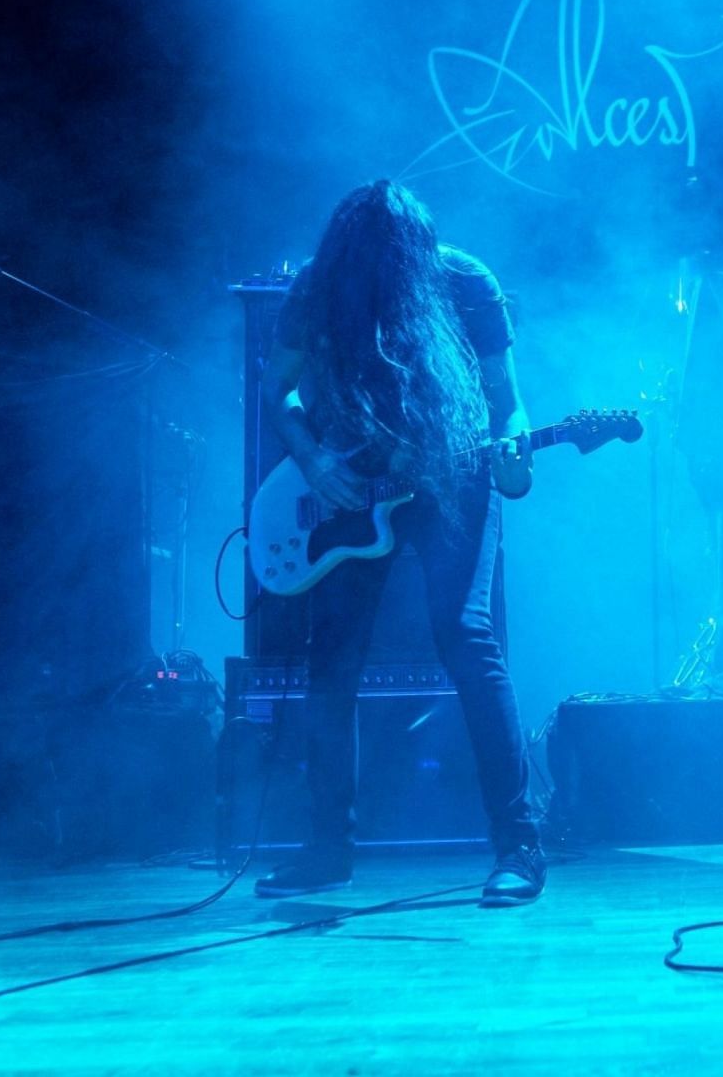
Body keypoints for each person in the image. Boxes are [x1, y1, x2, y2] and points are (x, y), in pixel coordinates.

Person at [253, 180, 544, 906]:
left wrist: (514, 448)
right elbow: (276, 387)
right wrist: (316, 461)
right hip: (355, 482)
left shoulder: (466, 281)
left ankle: (519, 847)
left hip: (455, 476)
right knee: (333, 657)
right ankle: (327, 849)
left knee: (465, 635)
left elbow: (507, 404)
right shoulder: (322, 286)